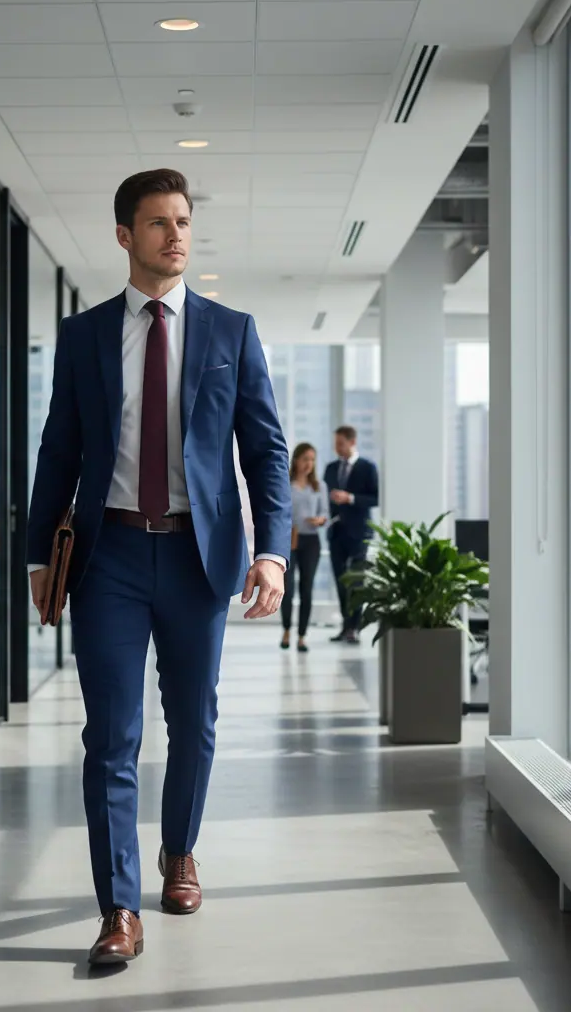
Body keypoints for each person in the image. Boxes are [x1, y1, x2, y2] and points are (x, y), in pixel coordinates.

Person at [25, 169, 291, 966]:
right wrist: (42, 552)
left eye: (182, 221)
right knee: (110, 733)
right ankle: (118, 910)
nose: (175, 234)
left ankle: (180, 853)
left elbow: (266, 451)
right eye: (157, 223)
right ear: (124, 236)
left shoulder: (230, 332)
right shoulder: (86, 336)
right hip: (106, 557)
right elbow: (59, 449)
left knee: (194, 725)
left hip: (196, 556)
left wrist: (272, 549)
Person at [323, 425, 379, 643]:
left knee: (356, 581)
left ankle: (354, 628)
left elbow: (376, 498)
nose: (337, 448)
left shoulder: (367, 467)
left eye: (340, 443)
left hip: (360, 533)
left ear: (352, 442)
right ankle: (345, 626)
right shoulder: (330, 468)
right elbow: (323, 496)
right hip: (336, 532)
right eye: (336, 444)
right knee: (339, 581)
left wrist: (351, 498)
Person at [281, 442, 328, 653]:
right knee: (287, 589)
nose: (309, 464)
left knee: (306, 588)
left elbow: (324, 513)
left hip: (311, 541)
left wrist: (319, 520)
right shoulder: (286, 483)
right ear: (296, 460)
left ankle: (302, 636)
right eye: (305, 459)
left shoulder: (319, 486)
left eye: (312, 459)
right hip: (290, 539)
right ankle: (286, 631)